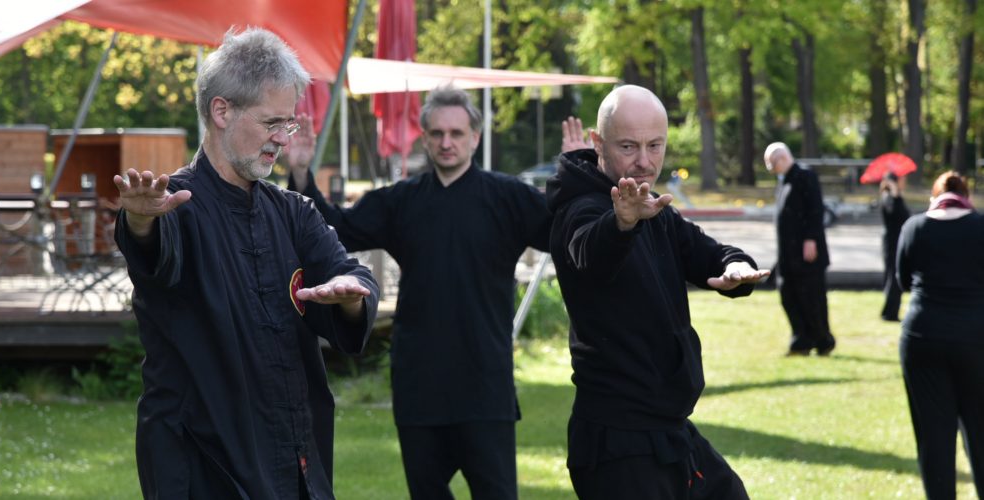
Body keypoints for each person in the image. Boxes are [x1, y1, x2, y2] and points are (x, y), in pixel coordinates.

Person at [112, 28, 379, 499]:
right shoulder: (176, 203)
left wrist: (350, 297)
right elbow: (153, 255)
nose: (282, 138)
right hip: (201, 465)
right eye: (271, 122)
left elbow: (352, 275)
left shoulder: (294, 212)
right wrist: (139, 221)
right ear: (222, 111)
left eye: (289, 123)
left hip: (295, 459)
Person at [285, 85, 551, 499]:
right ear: (424, 137)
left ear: (475, 138)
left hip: (485, 385)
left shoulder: (509, 198)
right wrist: (301, 173)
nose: (447, 142)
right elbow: (333, 227)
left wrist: (577, 172)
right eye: (437, 133)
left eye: (457, 133)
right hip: (419, 385)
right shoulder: (402, 202)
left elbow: (569, 234)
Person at [549, 85, 769, 499]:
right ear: (598, 142)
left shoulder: (652, 207)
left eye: (655, 145)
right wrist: (622, 223)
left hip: (668, 428)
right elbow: (590, 255)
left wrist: (734, 266)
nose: (645, 161)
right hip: (616, 441)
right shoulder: (580, 208)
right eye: (629, 146)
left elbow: (706, 251)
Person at [896, 171, 984, 499]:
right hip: (976, 336)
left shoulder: (914, 227)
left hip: (923, 336)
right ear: (967, 197)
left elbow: (903, 280)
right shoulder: (980, 226)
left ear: (934, 197)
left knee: (934, 436)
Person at [764, 142, 836, 356]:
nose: (770, 169)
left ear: (782, 158)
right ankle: (801, 340)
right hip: (788, 254)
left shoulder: (805, 176)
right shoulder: (784, 179)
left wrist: (811, 239)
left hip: (806, 252)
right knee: (789, 295)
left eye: (771, 164)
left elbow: (815, 209)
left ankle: (823, 340)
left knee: (812, 298)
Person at [878, 171, 910, 321]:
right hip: (892, 241)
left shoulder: (896, 198)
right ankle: (890, 312)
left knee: (893, 275)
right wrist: (894, 190)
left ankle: (890, 311)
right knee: (893, 276)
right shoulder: (889, 197)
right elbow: (894, 213)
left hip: (896, 240)